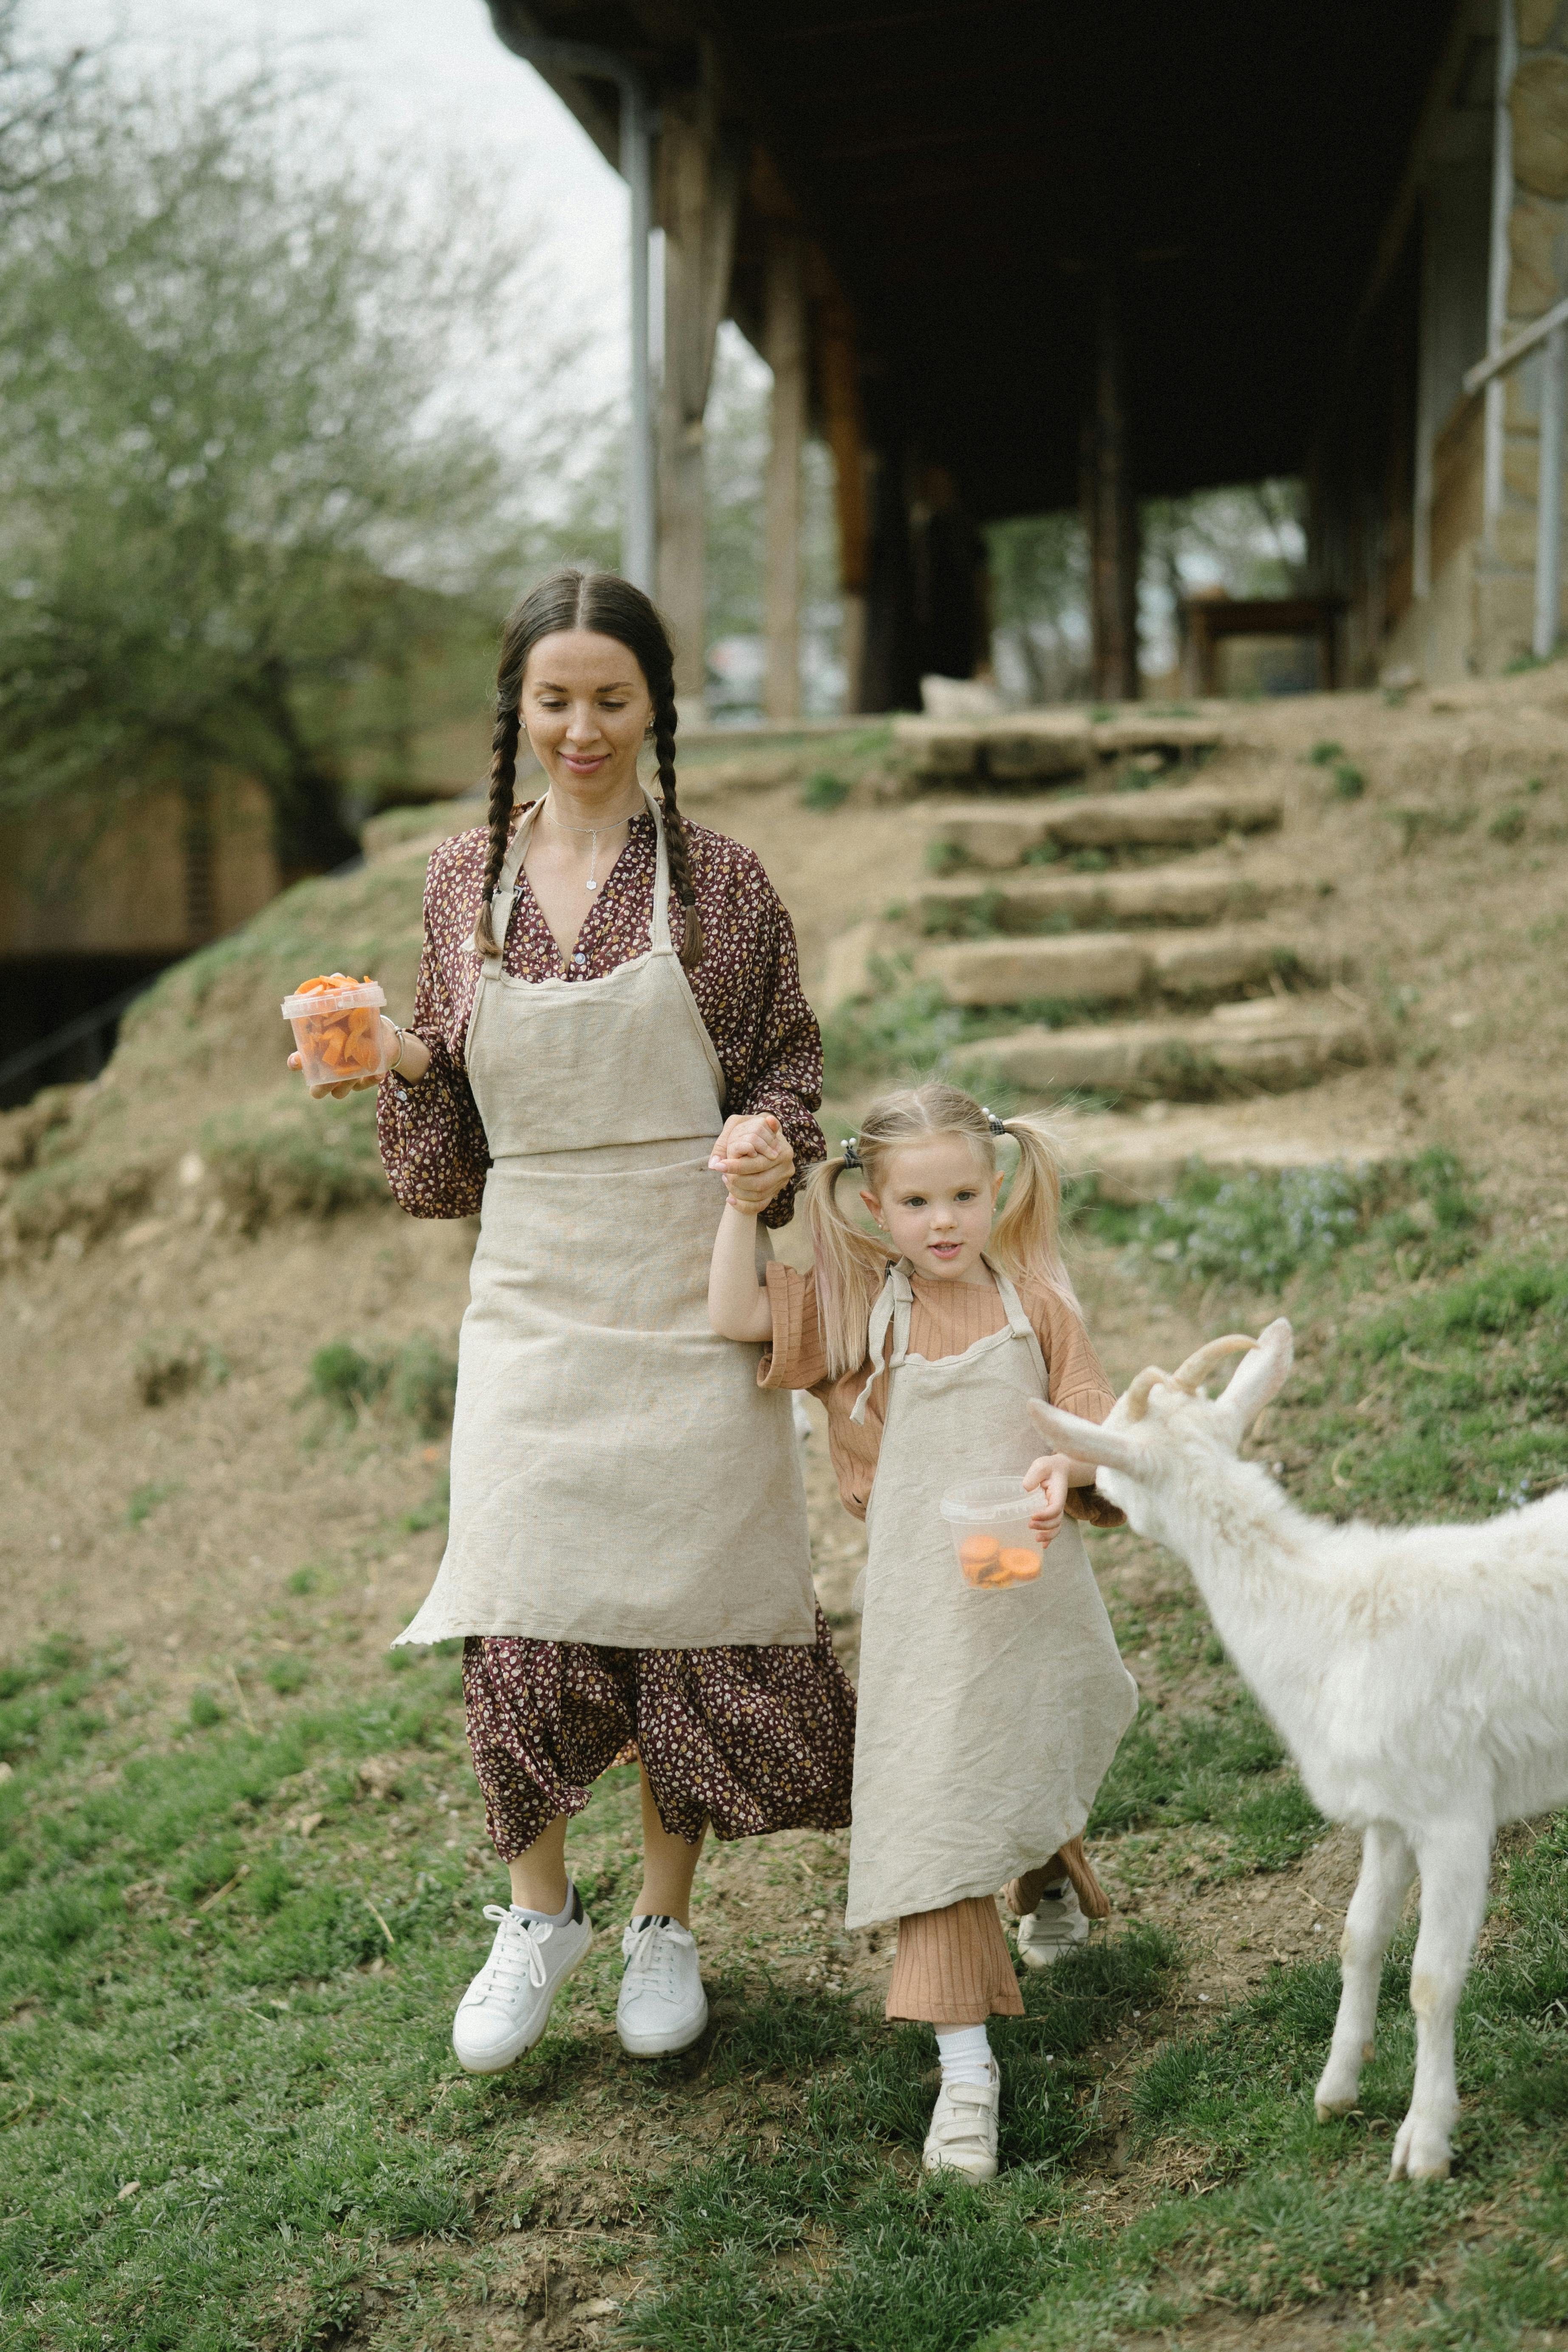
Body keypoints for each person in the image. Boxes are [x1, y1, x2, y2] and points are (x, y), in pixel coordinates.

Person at [291, 568, 855, 2073]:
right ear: (519, 710)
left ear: (657, 703)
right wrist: (399, 1061)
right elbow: (456, 1134)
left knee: (689, 1606)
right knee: (519, 1598)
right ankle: (538, 1912)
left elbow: (786, 1066)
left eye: (611, 698)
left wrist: (770, 1144)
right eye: (555, 700)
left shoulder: (724, 883)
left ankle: (667, 1924)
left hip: (692, 1281)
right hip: (537, 1287)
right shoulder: (456, 881)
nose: (582, 727)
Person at [708, 1081, 1137, 2182]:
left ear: (996, 1188)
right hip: (921, 1614)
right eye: (914, 1202)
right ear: (873, 1204)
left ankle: (1041, 1870)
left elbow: (1093, 1431)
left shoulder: (1032, 1302)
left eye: (962, 1195)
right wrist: (737, 1206)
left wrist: (1068, 1468)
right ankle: (966, 2072)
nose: (941, 1221)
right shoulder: (865, 1309)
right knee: (936, 1802)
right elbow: (737, 1318)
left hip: (1024, 1586)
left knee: (1018, 1741)